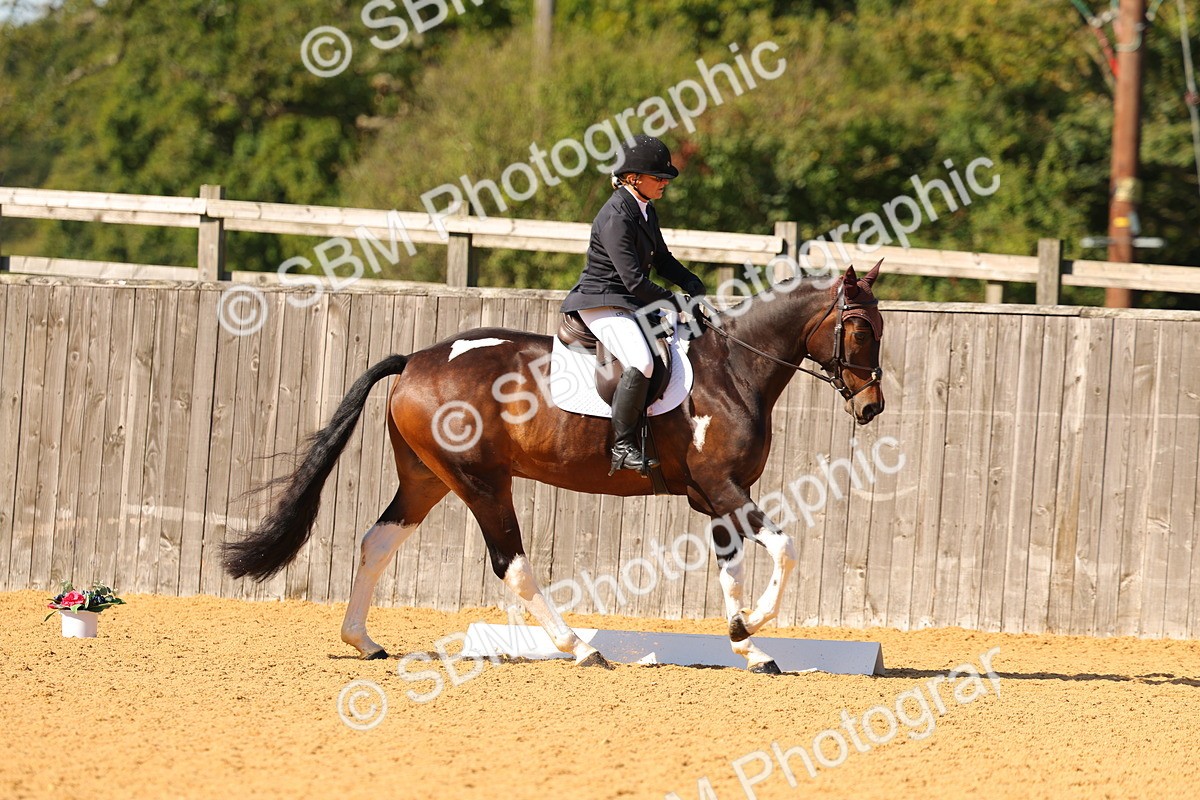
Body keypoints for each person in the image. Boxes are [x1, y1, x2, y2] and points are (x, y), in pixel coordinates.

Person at [561, 134, 707, 474]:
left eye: (666, 178)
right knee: (641, 362)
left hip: (628, 300)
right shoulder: (616, 217)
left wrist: (690, 281)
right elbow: (635, 282)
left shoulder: (644, 209)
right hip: (602, 301)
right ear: (632, 178)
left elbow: (663, 260)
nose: (665, 183)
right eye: (659, 178)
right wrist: (675, 302)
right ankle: (622, 446)